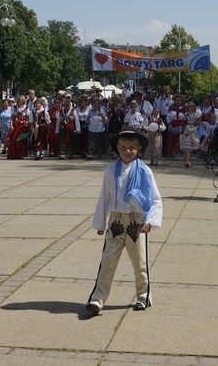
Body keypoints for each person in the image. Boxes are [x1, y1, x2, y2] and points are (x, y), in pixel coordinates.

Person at [85, 130, 163, 315]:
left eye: (132, 148)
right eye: (123, 148)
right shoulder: (111, 171)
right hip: (116, 221)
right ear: (117, 149)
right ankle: (97, 299)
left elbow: (155, 199)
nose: (127, 151)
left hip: (137, 222)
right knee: (107, 261)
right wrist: (100, 223)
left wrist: (150, 220)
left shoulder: (145, 171)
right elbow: (104, 196)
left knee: (140, 263)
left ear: (139, 149)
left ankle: (143, 297)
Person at [180, 100, 201, 167]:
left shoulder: (196, 114)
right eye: (189, 106)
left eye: (192, 106)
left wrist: (196, 126)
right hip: (187, 129)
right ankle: (187, 161)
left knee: (191, 146)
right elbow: (183, 122)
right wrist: (183, 131)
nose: (190, 107)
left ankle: (190, 160)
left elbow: (199, 122)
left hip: (194, 130)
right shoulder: (186, 114)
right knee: (188, 146)